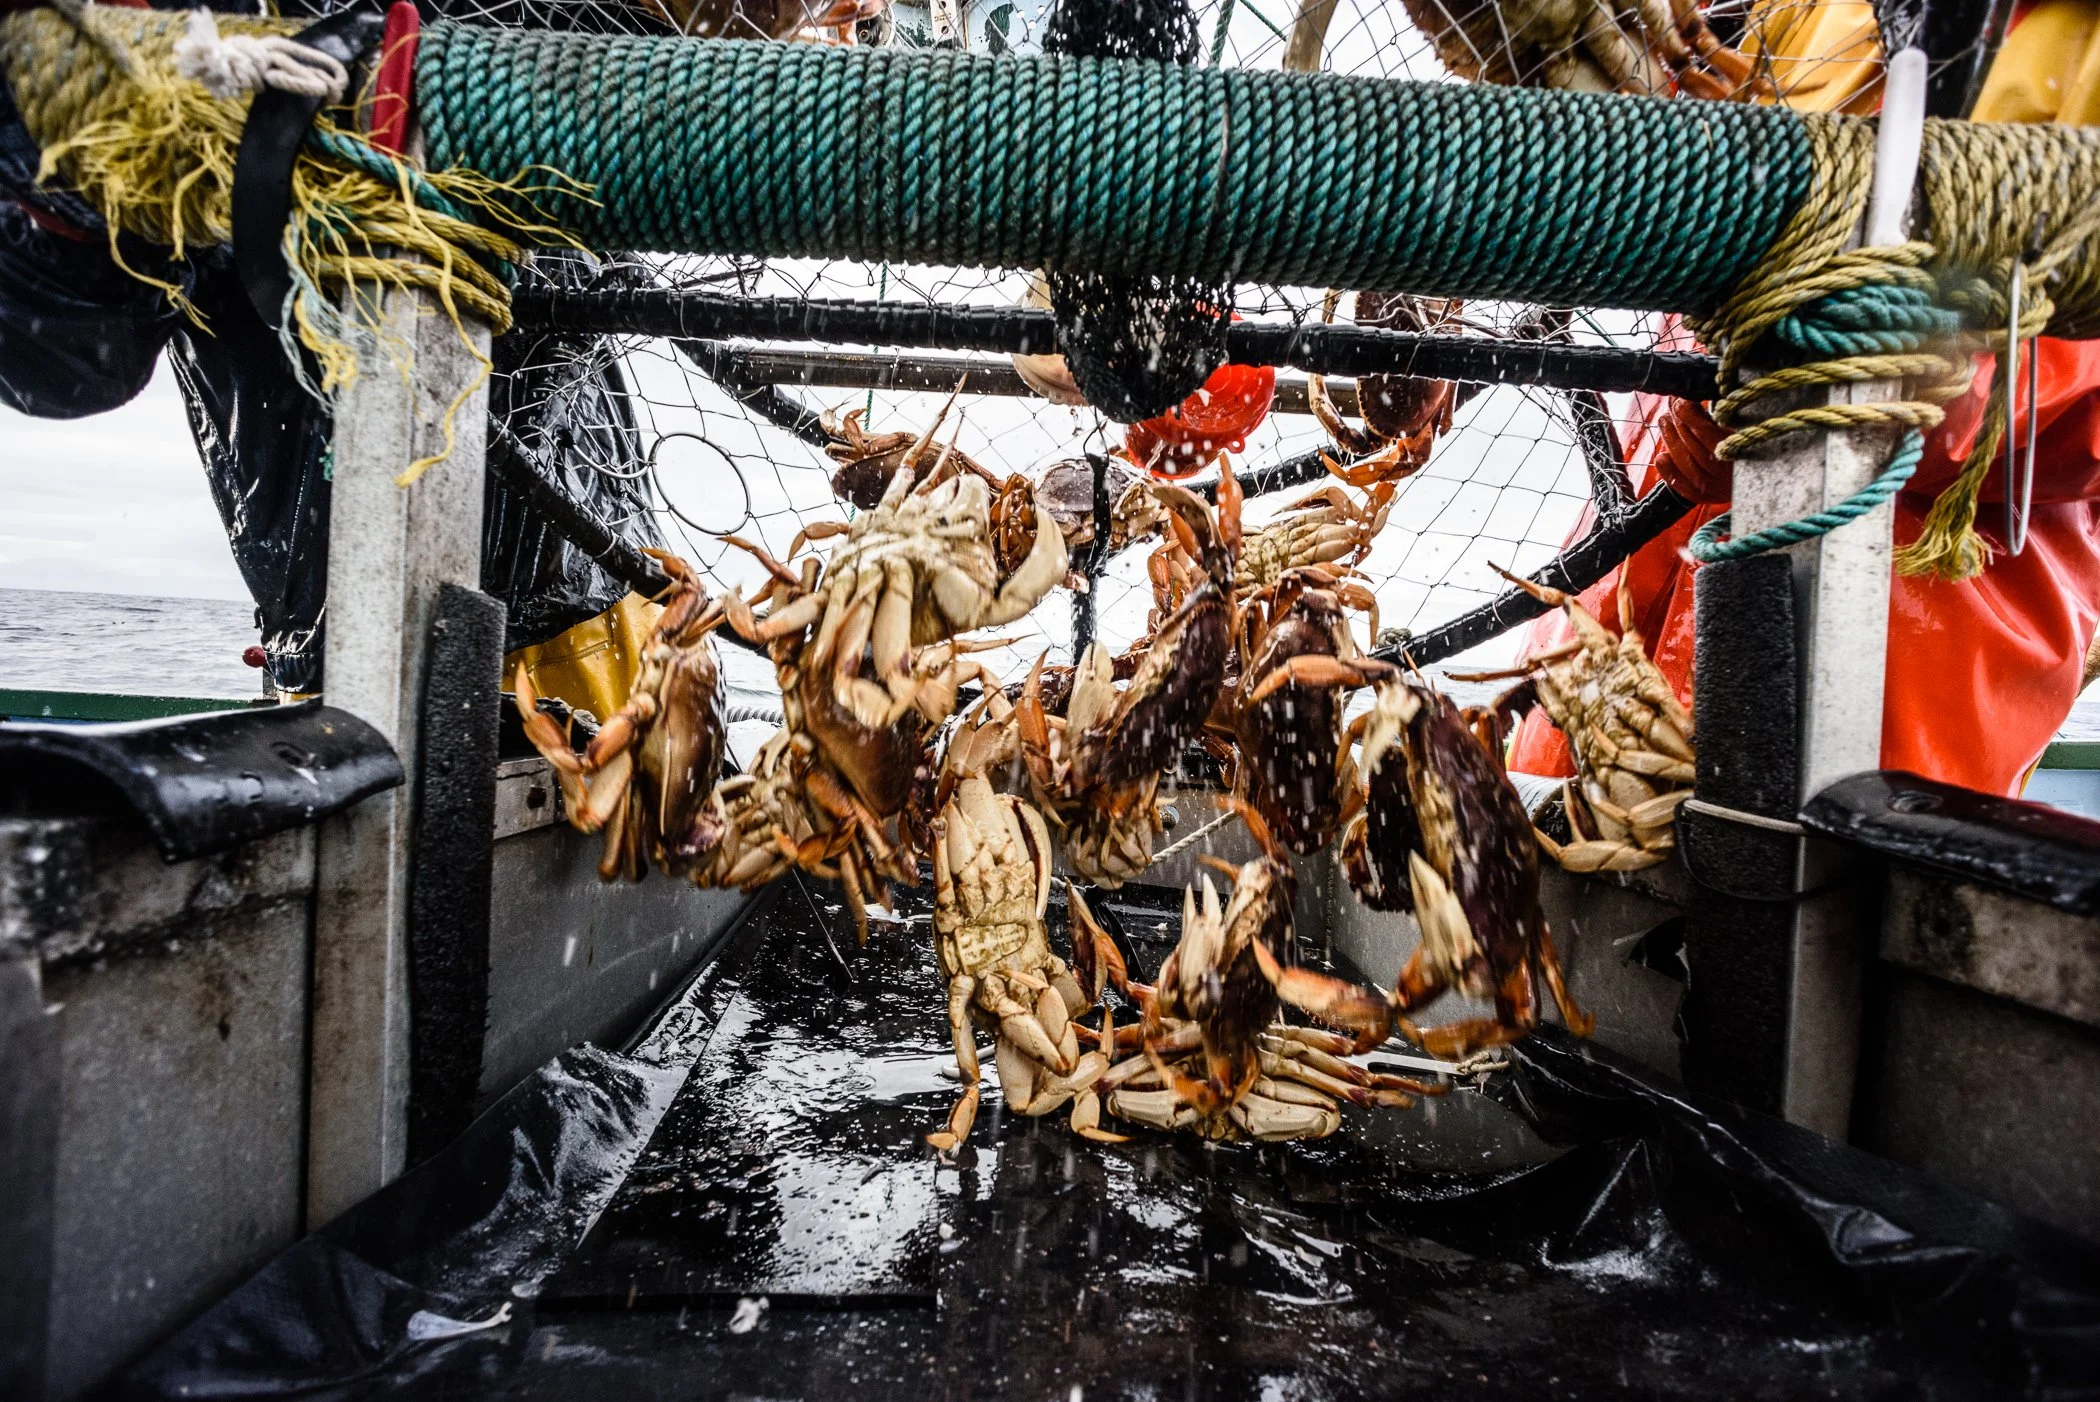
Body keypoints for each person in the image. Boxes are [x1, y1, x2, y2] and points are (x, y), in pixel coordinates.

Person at [1506, 0, 2100, 797]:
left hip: (1878, 704)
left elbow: (2069, 398)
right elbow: (1691, 229)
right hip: (1613, 625)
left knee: (1781, 887)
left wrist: (1795, 397)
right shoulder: (1814, 13)